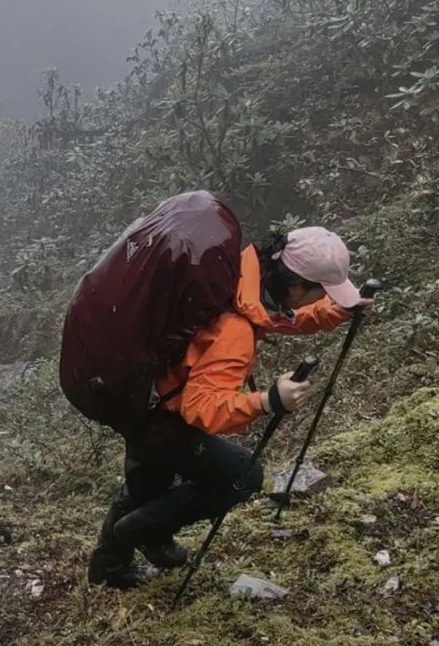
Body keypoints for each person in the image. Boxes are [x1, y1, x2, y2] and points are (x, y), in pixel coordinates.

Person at [87, 226, 371, 589]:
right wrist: (268, 401)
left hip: (143, 398)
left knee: (144, 486)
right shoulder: (235, 328)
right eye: (322, 291)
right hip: (167, 418)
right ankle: (138, 532)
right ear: (297, 286)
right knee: (243, 477)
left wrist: (337, 311)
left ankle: (108, 567)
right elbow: (201, 407)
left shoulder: (236, 276)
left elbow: (281, 317)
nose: (319, 299)